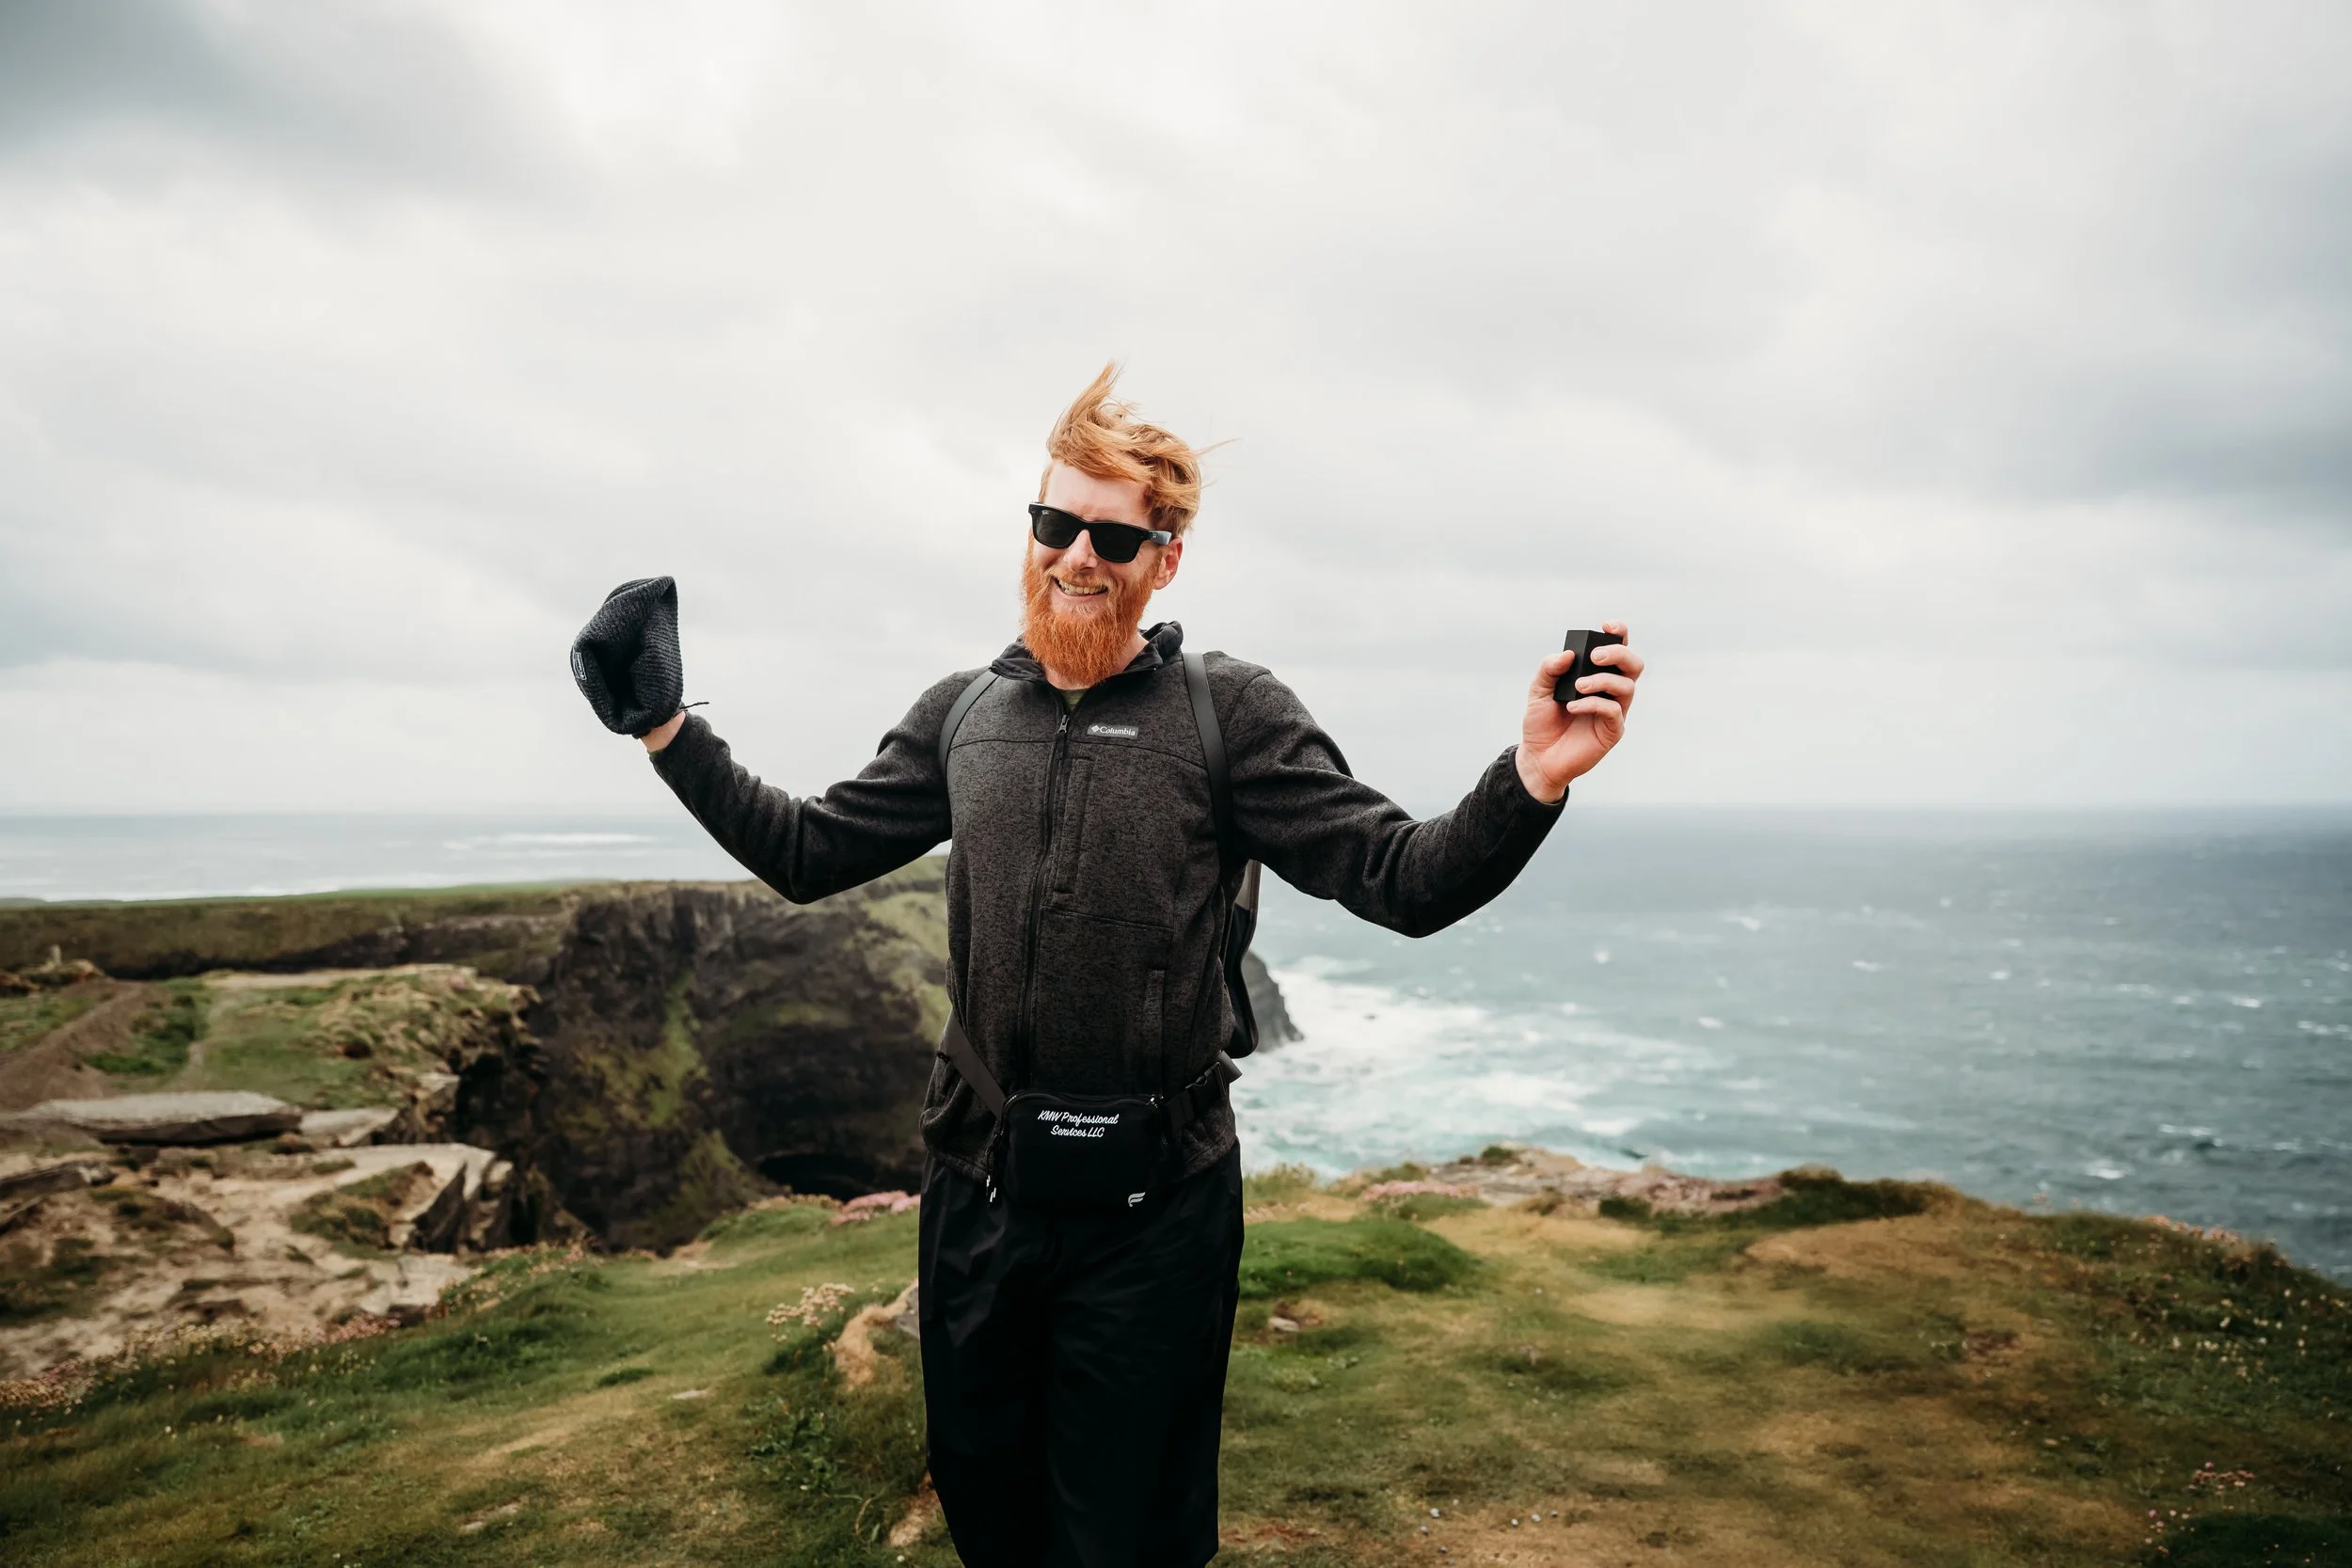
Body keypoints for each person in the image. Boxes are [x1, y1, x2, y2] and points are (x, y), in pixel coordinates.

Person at [581, 366, 1643, 1566]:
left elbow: (1401, 878)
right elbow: (807, 850)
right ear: (1028, 529)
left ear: (1166, 557)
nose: (1077, 555)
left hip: (1159, 1213)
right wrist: (667, 728)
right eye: (1054, 524)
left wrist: (1534, 778)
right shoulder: (963, 713)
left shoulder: (1227, 713)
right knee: (993, 1514)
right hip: (977, 1192)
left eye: (1113, 535)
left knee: (1129, 1537)